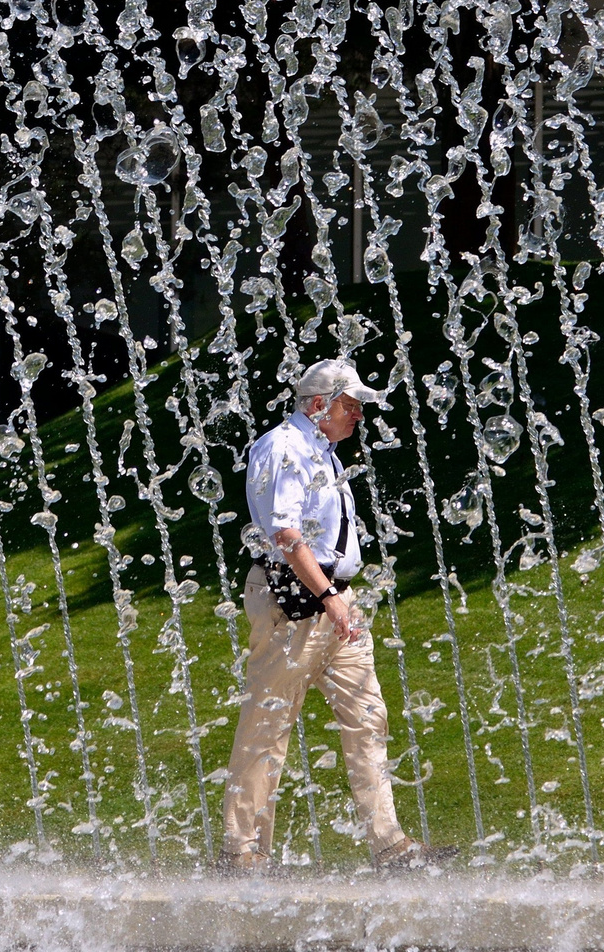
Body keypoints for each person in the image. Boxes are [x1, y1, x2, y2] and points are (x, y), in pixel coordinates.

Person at [220, 358, 458, 872]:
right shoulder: (283, 448)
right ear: (319, 404)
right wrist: (329, 595)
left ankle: (391, 846)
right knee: (269, 725)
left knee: (368, 717)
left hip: (334, 601)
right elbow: (286, 536)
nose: (358, 416)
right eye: (351, 406)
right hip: (295, 601)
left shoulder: (322, 451)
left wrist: (336, 598)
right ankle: (243, 852)